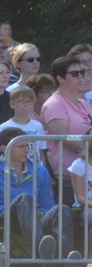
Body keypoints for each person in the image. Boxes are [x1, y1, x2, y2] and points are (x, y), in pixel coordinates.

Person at [0, 132, 74, 267]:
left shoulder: (40, 171)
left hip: (35, 218)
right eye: (21, 146)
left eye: (27, 146)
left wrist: (40, 214)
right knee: (24, 199)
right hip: (5, 219)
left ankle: (66, 263)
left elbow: (47, 205)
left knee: (62, 209)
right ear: (4, 149)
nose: (27, 150)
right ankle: (40, 254)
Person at [41, 52, 92, 182]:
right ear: (60, 78)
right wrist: (89, 150)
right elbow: (63, 137)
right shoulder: (54, 104)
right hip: (70, 178)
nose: (80, 76)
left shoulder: (86, 104)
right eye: (75, 74)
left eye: (82, 72)